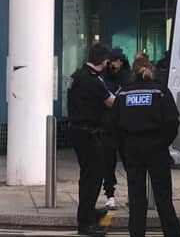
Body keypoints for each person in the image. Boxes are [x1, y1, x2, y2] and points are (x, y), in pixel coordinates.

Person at [111, 56, 180, 237]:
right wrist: (163, 142)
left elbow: (113, 124)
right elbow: (173, 121)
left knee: (136, 196)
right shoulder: (160, 91)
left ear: (133, 72)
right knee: (163, 195)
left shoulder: (124, 93)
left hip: (132, 148)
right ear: (150, 69)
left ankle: (136, 233)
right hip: (156, 147)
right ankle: (172, 232)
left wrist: (125, 146)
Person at [67, 43, 115, 236]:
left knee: (88, 175)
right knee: (92, 178)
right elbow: (112, 103)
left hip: (78, 131)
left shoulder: (78, 75)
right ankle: (85, 222)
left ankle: (88, 213)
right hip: (89, 134)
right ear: (104, 61)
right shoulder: (92, 80)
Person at [101, 47, 132, 210]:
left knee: (130, 162)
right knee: (108, 162)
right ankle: (110, 195)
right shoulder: (105, 77)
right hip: (108, 125)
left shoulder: (127, 76)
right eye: (115, 61)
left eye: (120, 60)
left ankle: (131, 194)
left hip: (124, 125)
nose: (117, 63)